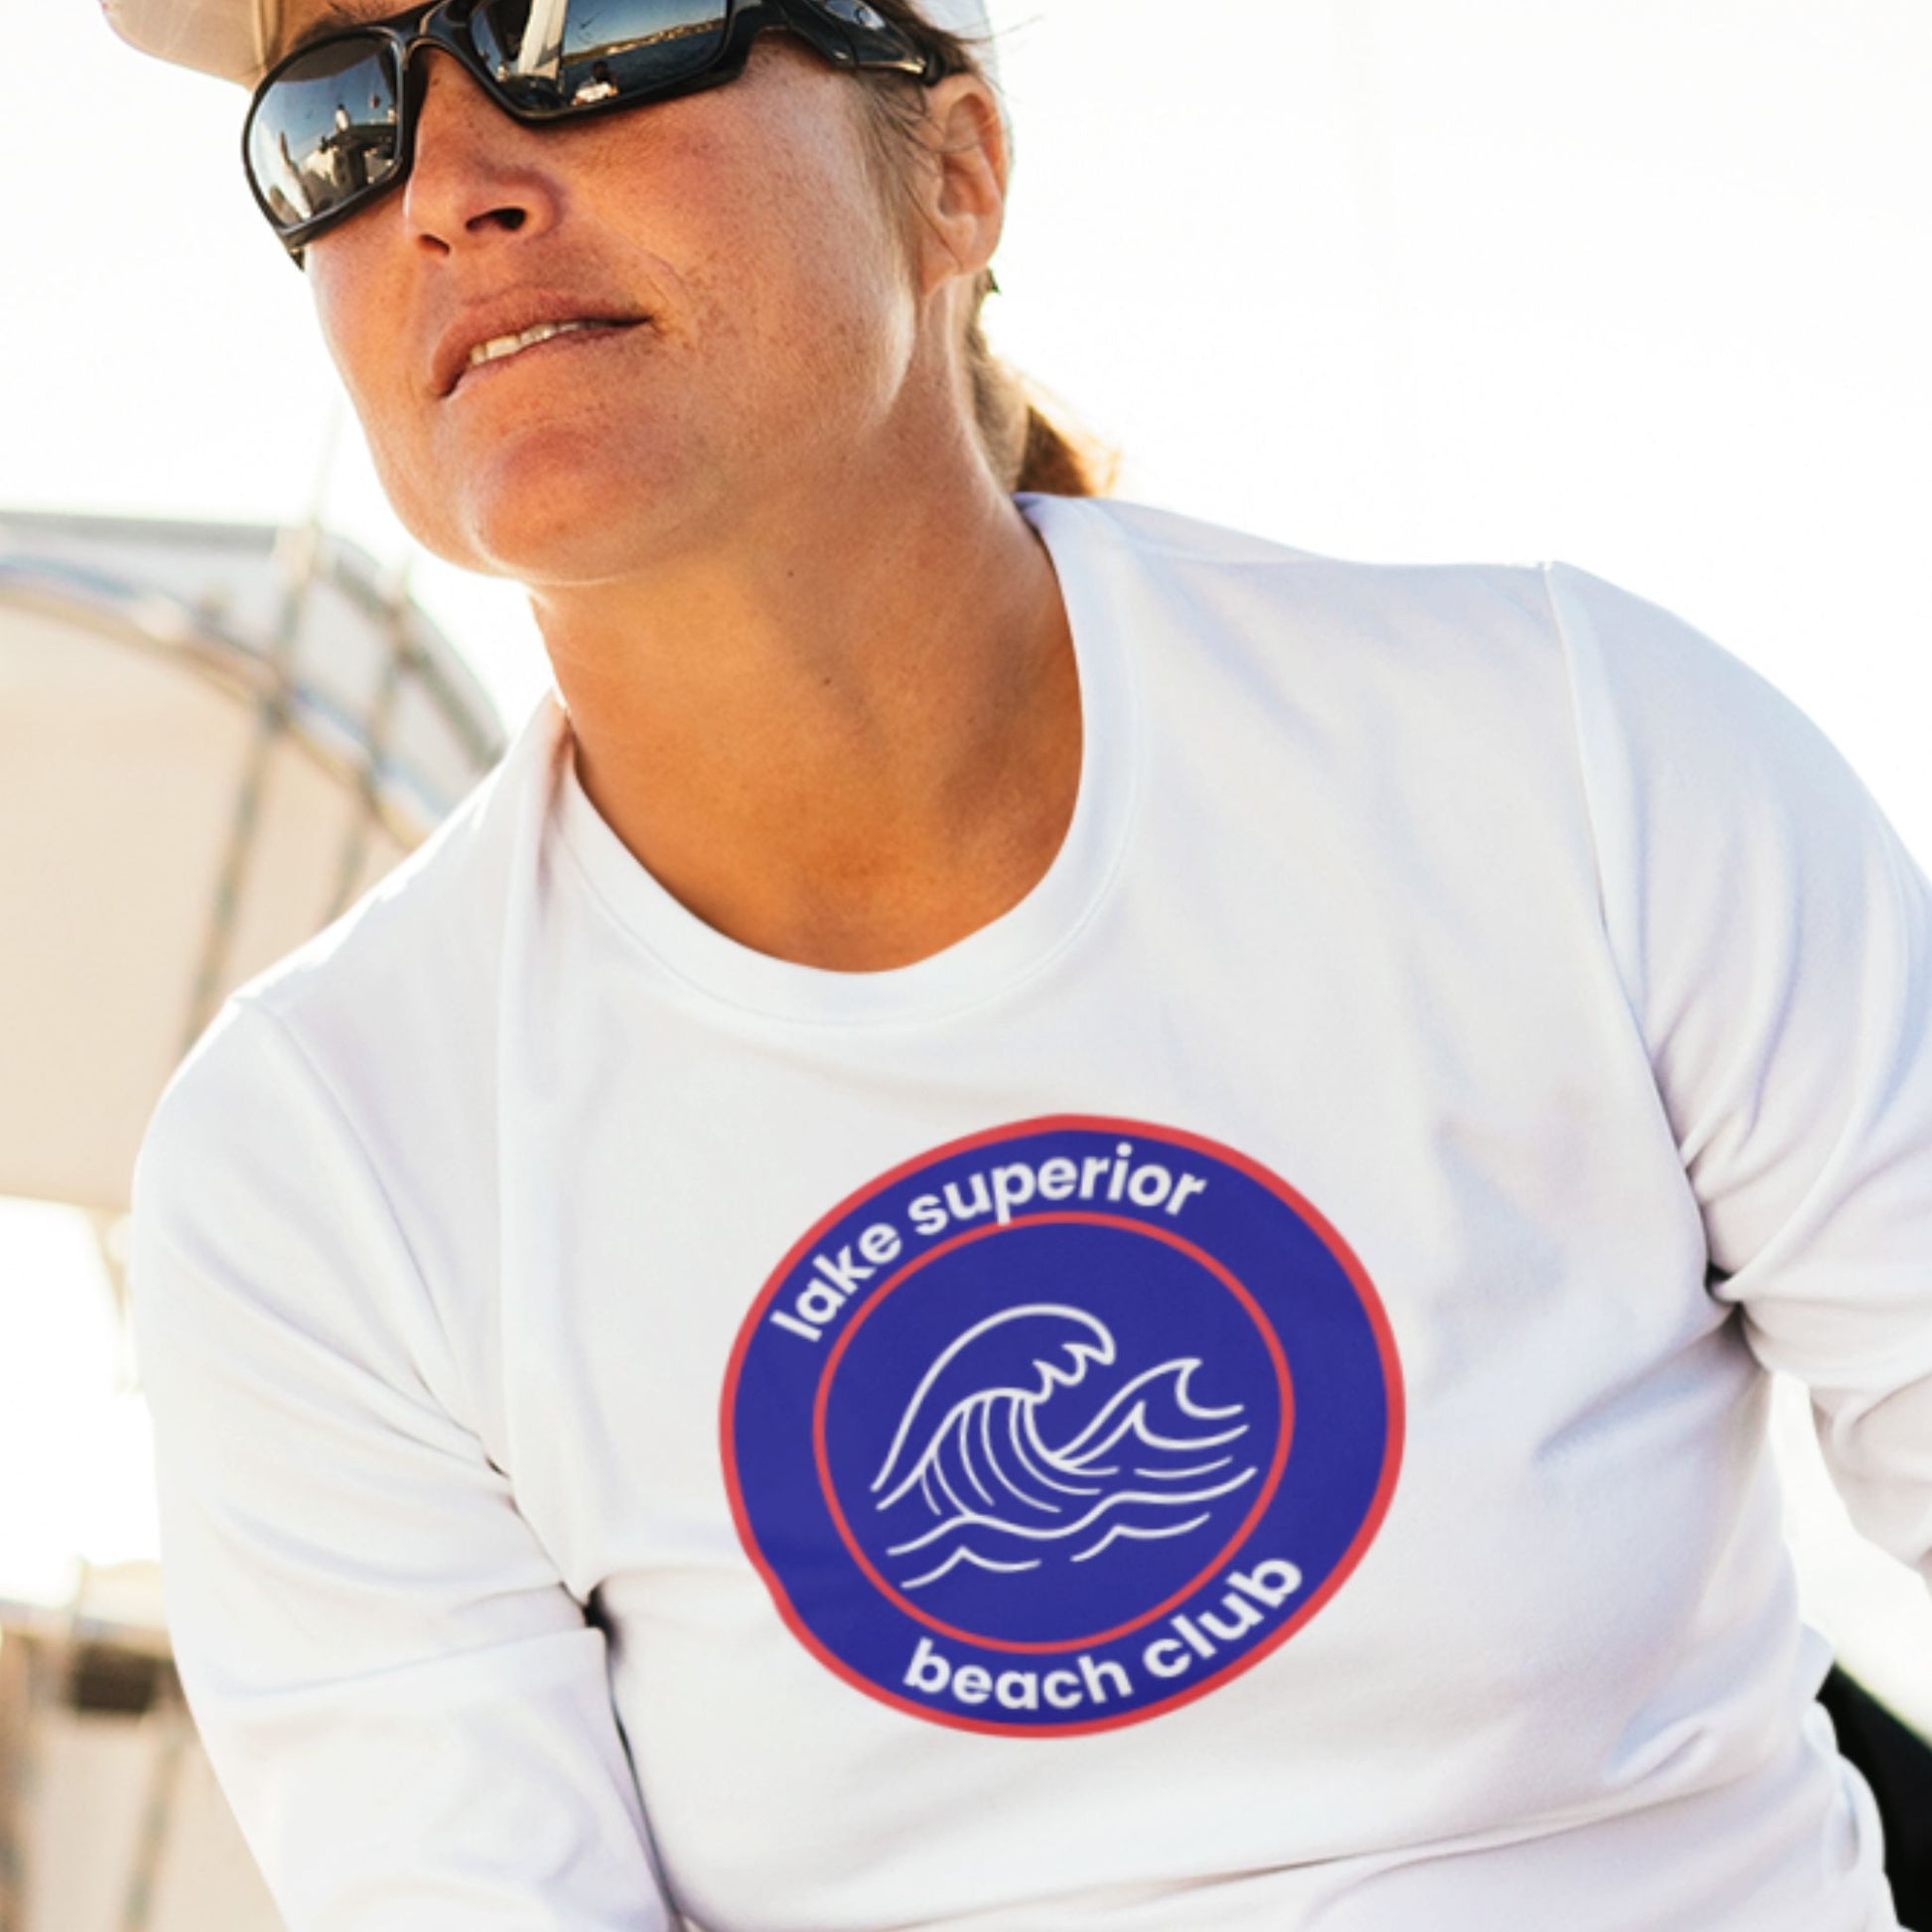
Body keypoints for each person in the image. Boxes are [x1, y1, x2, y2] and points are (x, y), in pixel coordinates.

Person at [108, 0, 1931, 1926]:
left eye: (599, 26)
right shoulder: (316, 1166)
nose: (451, 185)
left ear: (957, 175)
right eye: (339, 113)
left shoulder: (1570, 757)